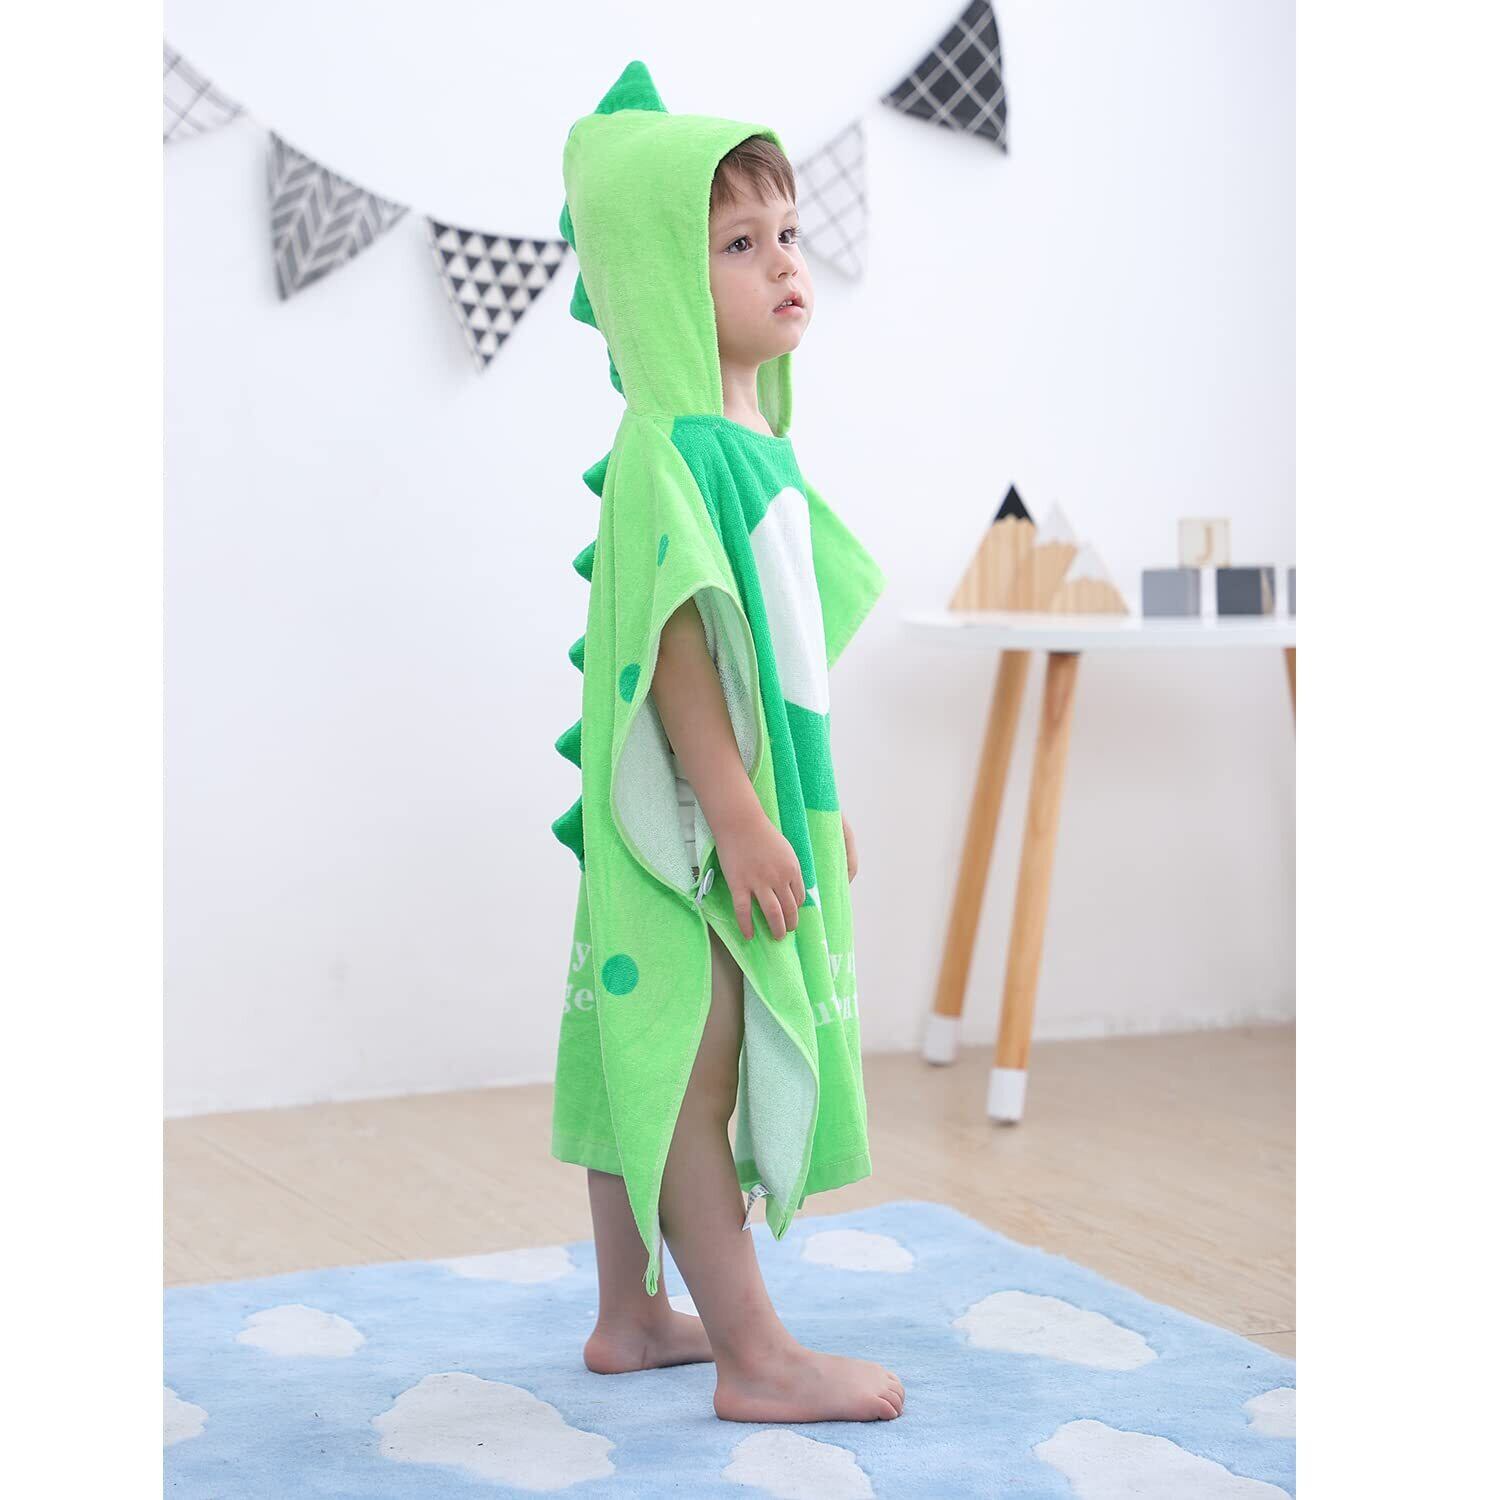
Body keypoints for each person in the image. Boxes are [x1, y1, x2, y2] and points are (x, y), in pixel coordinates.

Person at [548, 61, 901, 1423]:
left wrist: (807, 800)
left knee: (632, 1049)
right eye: (738, 245)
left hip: (734, 806)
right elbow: (685, 652)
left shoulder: (747, 435)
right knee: (689, 1067)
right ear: (658, 284)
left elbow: (780, 663)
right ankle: (758, 1358)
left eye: (788, 234)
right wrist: (744, 818)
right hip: (688, 824)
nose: (784, 264)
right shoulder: (677, 447)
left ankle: (630, 1314)